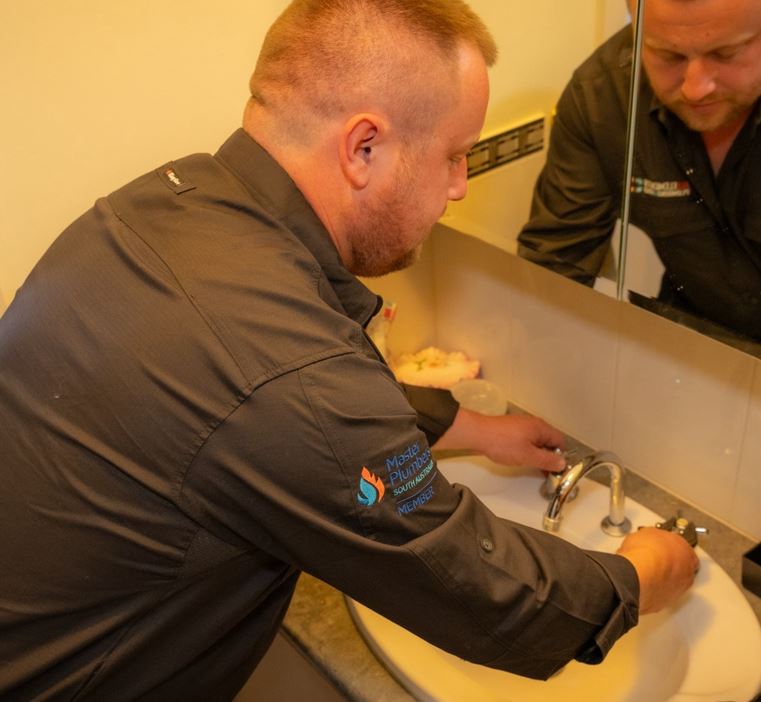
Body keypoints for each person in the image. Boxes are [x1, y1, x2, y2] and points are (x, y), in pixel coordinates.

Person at [0, 1, 698, 699]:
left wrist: (467, 428)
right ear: (363, 147)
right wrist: (636, 575)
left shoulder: (165, 206)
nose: (458, 187)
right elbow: (479, 588)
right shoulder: (286, 373)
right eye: (454, 155)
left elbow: (271, 400)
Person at [518, 0, 761, 340]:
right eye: (668, 56)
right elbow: (555, 270)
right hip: (693, 343)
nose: (696, 88)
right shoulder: (602, 99)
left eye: (726, 53)